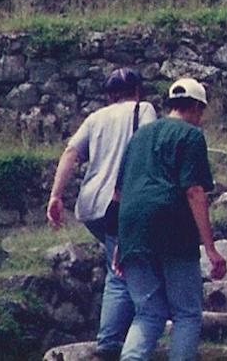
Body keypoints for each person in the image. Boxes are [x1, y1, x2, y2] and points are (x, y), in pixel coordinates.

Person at [113, 77, 227, 361]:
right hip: (173, 230)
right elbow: (194, 191)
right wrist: (210, 248)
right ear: (198, 108)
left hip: (132, 230)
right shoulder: (190, 135)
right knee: (186, 313)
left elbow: (119, 193)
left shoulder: (140, 136)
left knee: (148, 312)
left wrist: (121, 242)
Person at [47, 68, 158, 360]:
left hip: (90, 205)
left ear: (110, 95)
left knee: (118, 262)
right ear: (137, 91)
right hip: (119, 201)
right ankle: (111, 341)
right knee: (121, 270)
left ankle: (119, 335)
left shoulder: (95, 118)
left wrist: (56, 196)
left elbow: (70, 153)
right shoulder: (143, 109)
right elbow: (145, 146)